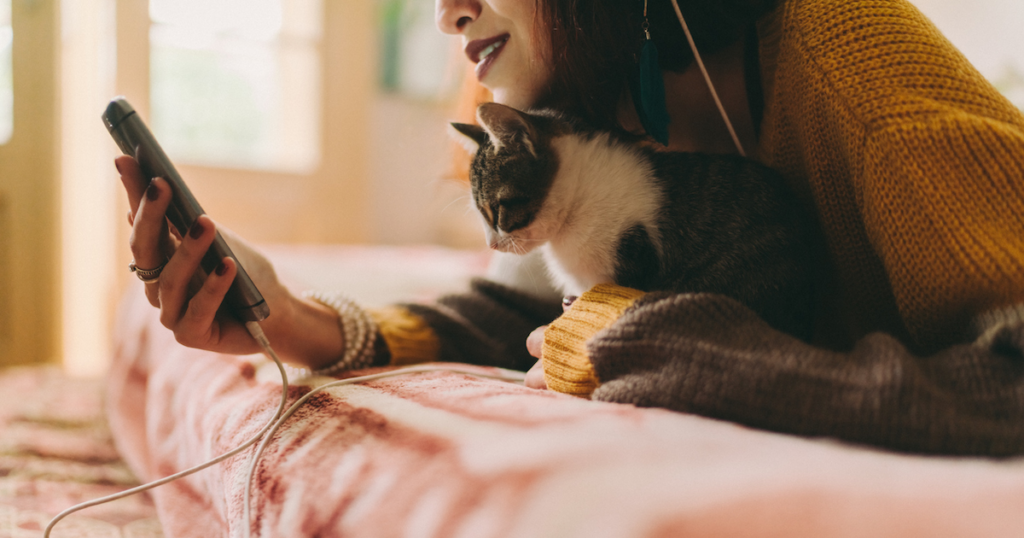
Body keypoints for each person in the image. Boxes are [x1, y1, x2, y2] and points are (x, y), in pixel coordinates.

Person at [117, 0, 1024, 456]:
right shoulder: (608, 107)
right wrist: (296, 320)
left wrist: (668, 345)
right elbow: (535, 319)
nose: (447, 14)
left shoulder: (855, 66)